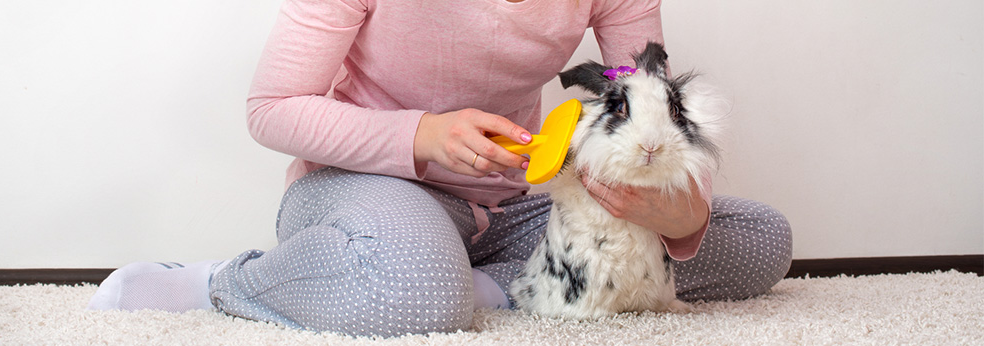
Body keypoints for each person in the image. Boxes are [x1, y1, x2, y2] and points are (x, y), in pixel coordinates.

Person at [88, 0, 792, 337]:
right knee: (416, 299)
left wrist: (683, 212)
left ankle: (484, 283)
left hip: (517, 203)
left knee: (759, 240)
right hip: (361, 182)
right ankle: (225, 282)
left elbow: (643, 100)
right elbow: (272, 107)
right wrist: (421, 135)